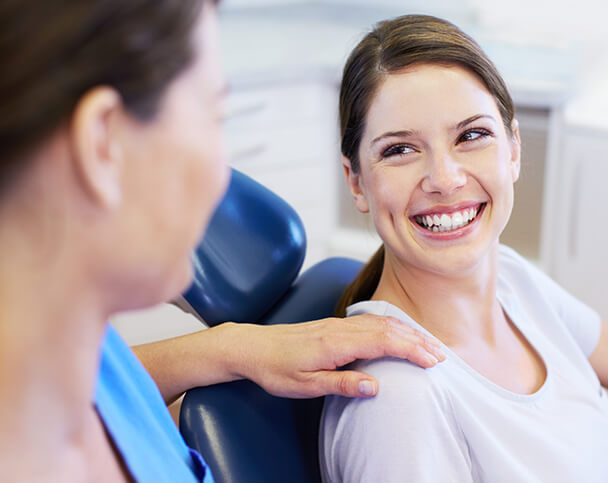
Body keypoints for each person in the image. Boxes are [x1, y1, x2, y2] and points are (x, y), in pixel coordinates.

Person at [0, 2, 447, 481]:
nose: (223, 179)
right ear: (102, 144)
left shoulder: (75, 343)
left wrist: (232, 349)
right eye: (213, 119)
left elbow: (114, 387)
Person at [319, 14, 608, 483]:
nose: (445, 179)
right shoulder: (397, 401)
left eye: (471, 135)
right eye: (400, 150)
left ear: (513, 148)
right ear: (356, 181)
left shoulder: (513, 281)